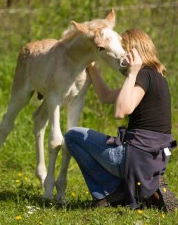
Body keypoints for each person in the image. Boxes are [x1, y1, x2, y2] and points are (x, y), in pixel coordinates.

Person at [64, 28, 177, 211]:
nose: (121, 57)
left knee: (72, 136)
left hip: (135, 158)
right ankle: (144, 186)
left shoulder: (142, 74)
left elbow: (121, 111)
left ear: (133, 52)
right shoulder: (157, 77)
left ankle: (111, 191)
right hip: (155, 159)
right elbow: (106, 96)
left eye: (123, 50)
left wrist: (132, 74)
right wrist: (91, 67)